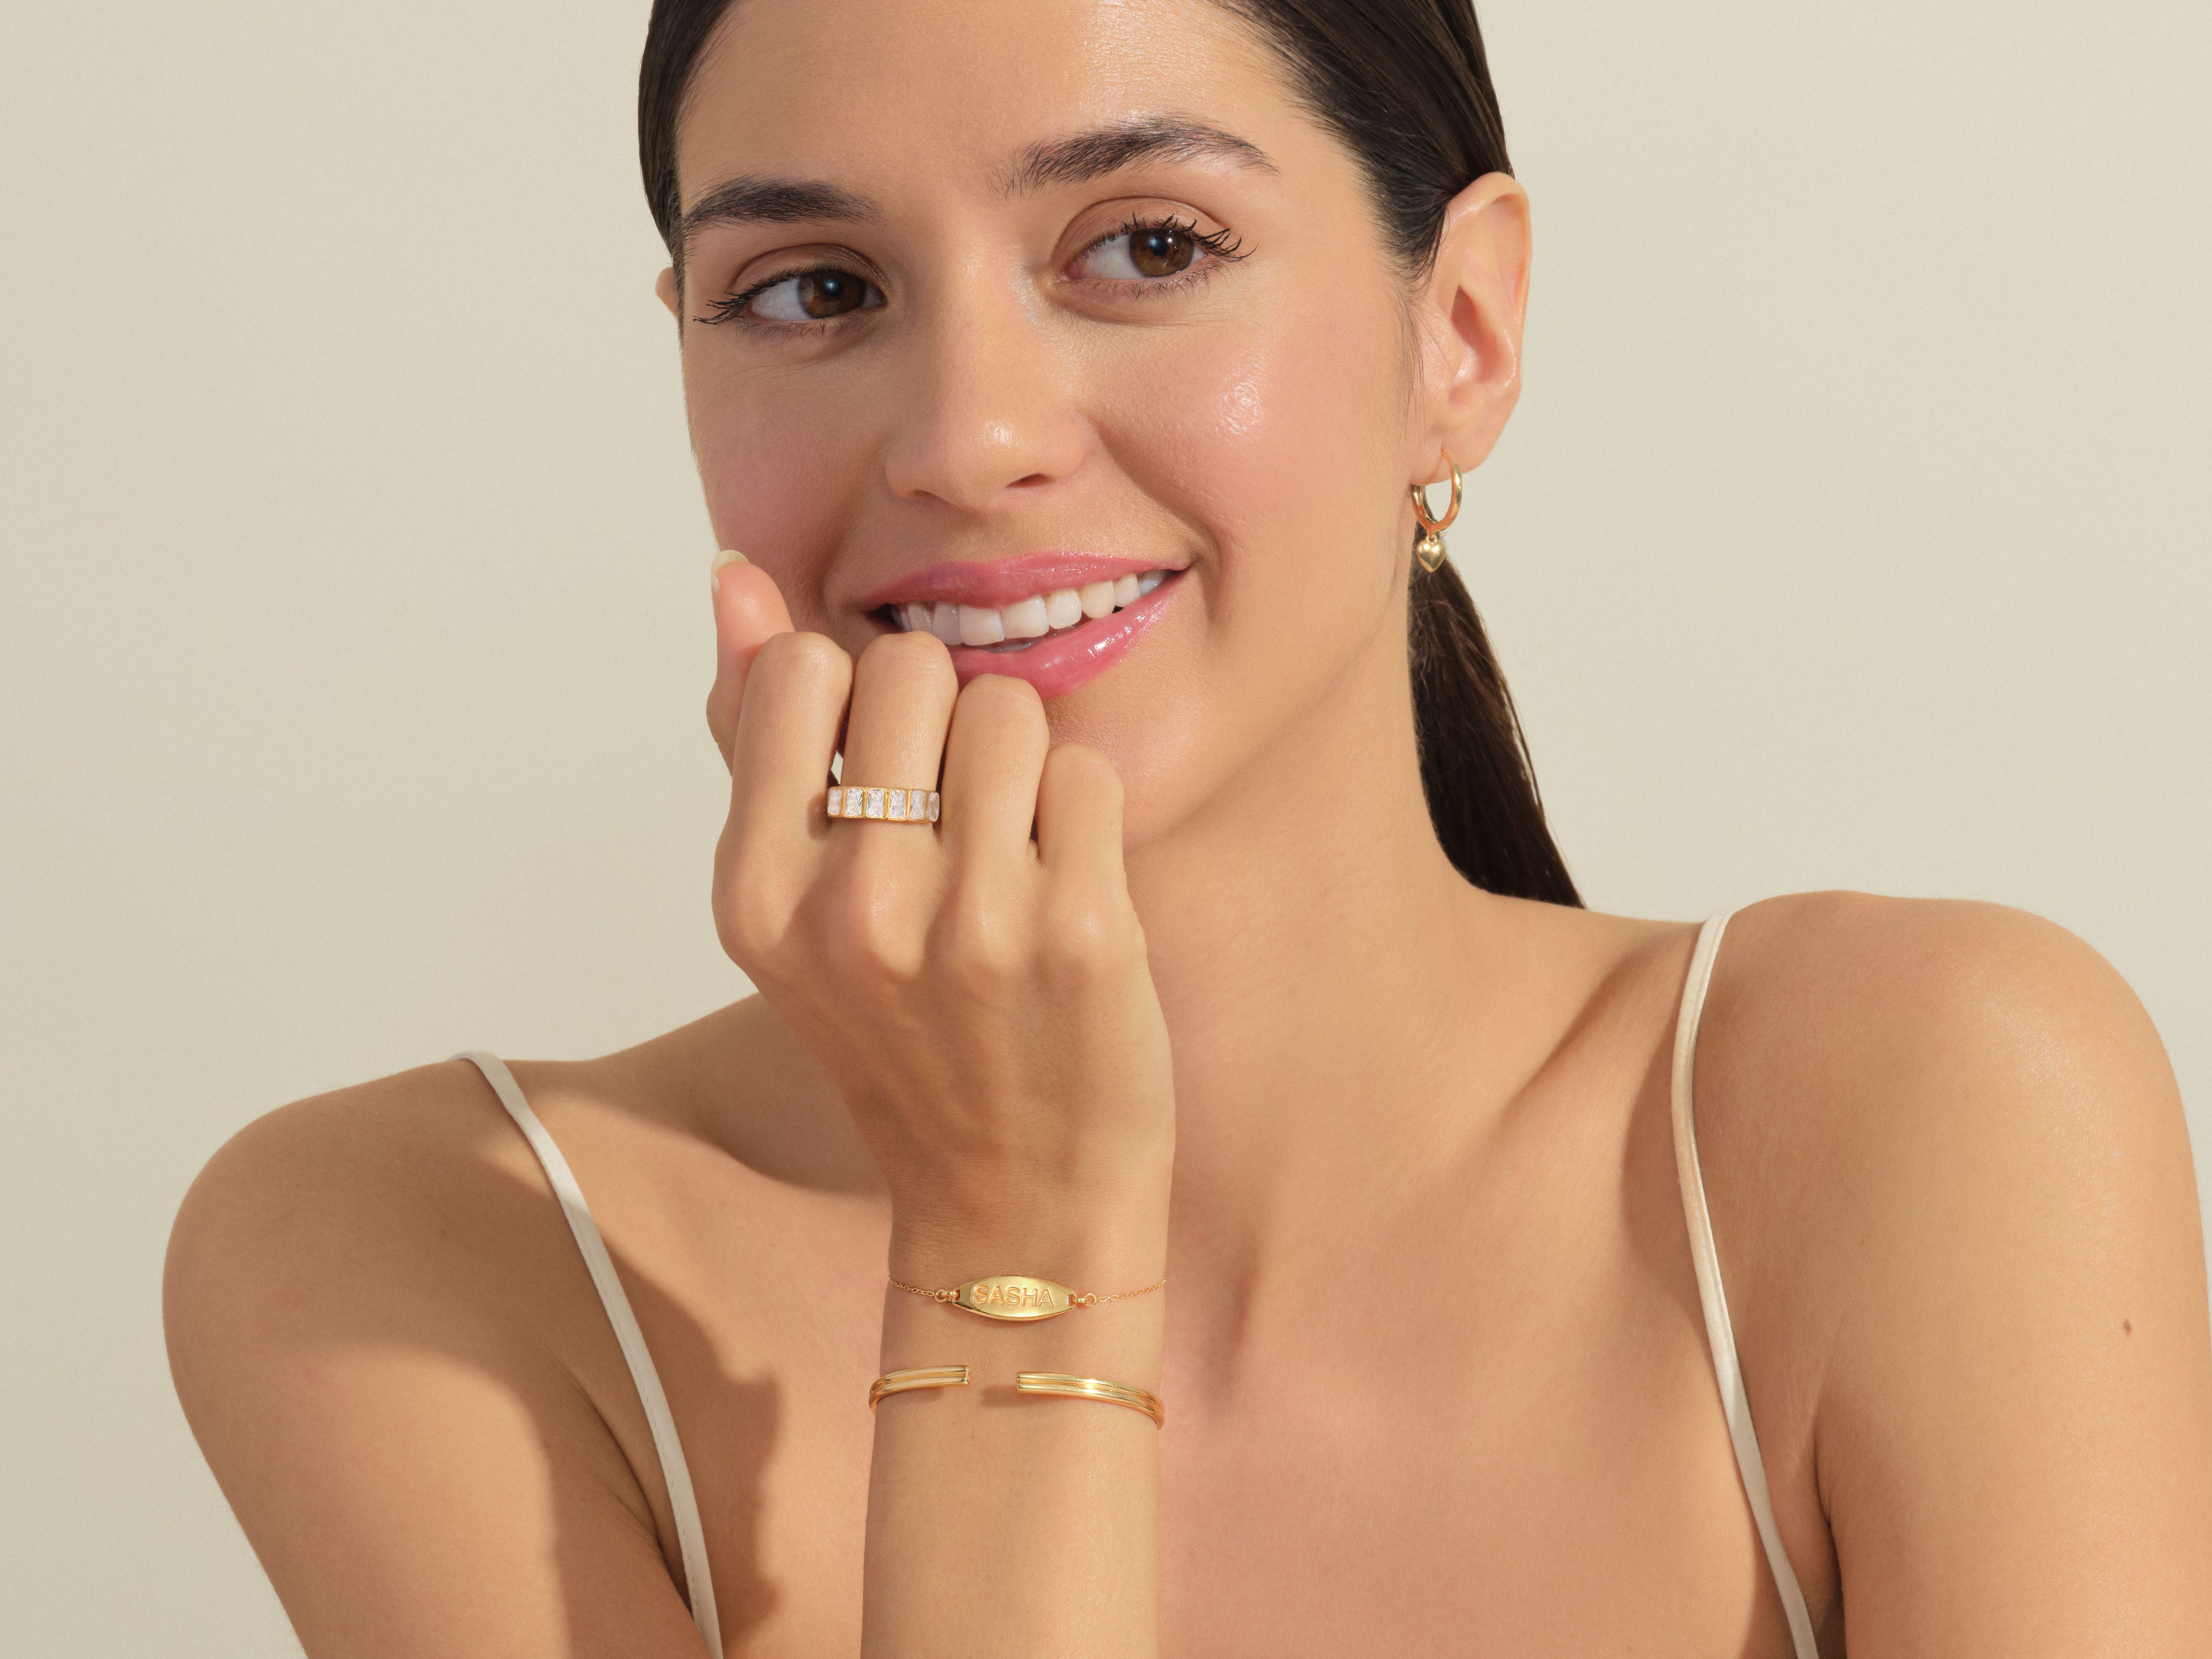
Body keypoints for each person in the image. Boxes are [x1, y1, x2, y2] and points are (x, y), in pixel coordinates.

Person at [162, 1, 2212, 1652]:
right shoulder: (425, 1257)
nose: (967, 439)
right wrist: (1013, 1248)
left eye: (1147, 246)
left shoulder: (1920, 1100)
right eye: (810, 288)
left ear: (1462, 334)